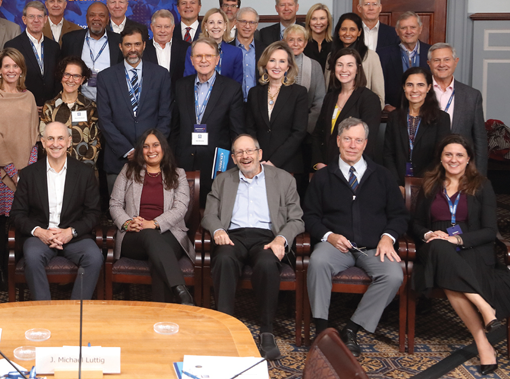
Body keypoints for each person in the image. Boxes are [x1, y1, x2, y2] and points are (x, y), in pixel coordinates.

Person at [304, 118, 409, 357]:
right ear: (338, 141)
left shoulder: (383, 176)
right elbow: (310, 216)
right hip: (335, 247)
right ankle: (321, 329)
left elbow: (399, 216)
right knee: (317, 261)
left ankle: (352, 329)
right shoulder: (322, 177)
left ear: (366, 143)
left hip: (374, 247)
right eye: (348, 139)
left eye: (358, 140)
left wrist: (388, 237)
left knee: (393, 275)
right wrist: (329, 236)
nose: (353, 145)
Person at [411, 135, 509, 375]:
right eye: (448, 154)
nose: (453, 159)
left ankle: (483, 342)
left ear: (468, 159)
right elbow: (415, 223)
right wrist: (428, 234)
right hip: (434, 247)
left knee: (449, 278)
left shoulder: (482, 185)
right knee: (438, 247)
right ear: (441, 158)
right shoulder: (430, 184)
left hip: (470, 247)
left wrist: (456, 239)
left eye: (459, 155)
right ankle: (484, 310)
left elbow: (489, 230)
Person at [203, 134, 305, 360]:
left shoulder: (283, 179)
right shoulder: (222, 180)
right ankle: (224, 325)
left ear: (259, 154)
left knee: (268, 264)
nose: (245, 156)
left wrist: (281, 239)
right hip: (233, 236)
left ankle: (267, 330)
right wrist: (218, 230)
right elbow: (209, 214)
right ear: (233, 158)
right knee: (223, 259)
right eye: (239, 152)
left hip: (267, 237)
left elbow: (297, 219)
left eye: (249, 151)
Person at [9, 122, 103, 300]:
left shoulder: (85, 173)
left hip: (74, 236)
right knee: (32, 256)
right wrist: (40, 232)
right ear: (43, 142)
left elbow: (94, 213)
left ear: (69, 142)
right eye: (50, 139)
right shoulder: (29, 174)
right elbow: (17, 214)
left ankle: (76, 312)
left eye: (60, 138)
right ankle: (45, 312)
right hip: (40, 237)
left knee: (94, 257)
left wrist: (71, 232)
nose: (55, 144)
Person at [109, 129, 194, 304]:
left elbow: (180, 208)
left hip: (170, 234)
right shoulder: (128, 171)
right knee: (150, 236)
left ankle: (160, 312)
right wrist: (127, 223)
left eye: (156, 145)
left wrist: (154, 223)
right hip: (133, 235)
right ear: (141, 150)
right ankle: (181, 291)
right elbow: (115, 204)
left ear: (164, 148)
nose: (151, 150)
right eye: (146, 146)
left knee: (157, 254)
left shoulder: (178, 174)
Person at [0, 48, 40, 287]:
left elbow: (34, 136)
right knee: (2, 224)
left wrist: (27, 172)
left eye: (16, 66)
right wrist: (13, 172)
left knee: (24, 219)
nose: (11, 70)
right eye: (7, 66)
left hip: (27, 170)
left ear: (21, 70)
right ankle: (3, 275)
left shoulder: (29, 96)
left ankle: (22, 273)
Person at [97, 25, 172, 190]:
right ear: (120, 46)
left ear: (144, 45)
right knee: (117, 205)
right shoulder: (105, 77)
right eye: (128, 45)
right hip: (118, 159)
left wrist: (149, 148)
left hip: (153, 159)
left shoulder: (161, 75)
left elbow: (165, 116)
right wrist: (128, 150)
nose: (133, 49)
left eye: (137, 44)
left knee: (150, 204)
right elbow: (104, 119)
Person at [171, 38, 243, 200]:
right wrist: (173, 159)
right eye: (198, 56)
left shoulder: (232, 88)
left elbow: (236, 131)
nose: (203, 60)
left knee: (212, 209)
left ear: (217, 59)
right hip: (183, 162)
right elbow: (174, 127)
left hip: (217, 164)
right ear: (192, 60)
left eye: (209, 56)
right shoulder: (180, 86)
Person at [313, 48, 382, 169]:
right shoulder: (330, 97)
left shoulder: (369, 99)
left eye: (349, 65)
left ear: (358, 69)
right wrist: (318, 163)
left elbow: (368, 140)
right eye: (340, 65)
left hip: (353, 169)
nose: (344, 69)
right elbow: (318, 133)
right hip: (325, 168)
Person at [246, 42, 309, 174]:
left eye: (282, 61)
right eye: (272, 60)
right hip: (258, 163)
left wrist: (273, 162)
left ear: (288, 66)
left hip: (288, 164)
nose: (276, 66)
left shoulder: (299, 93)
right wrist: (257, 157)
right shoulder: (254, 93)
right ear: (265, 64)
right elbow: (250, 129)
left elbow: (299, 132)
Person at [427, 42, 488, 176]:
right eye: (436, 60)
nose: (442, 64)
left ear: (456, 62)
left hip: (462, 169)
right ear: (429, 63)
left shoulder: (472, 96)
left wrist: (480, 176)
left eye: (447, 59)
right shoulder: (420, 92)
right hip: (427, 167)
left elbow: (480, 139)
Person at [383, 67, 451, 186]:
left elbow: (440, 155)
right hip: (397, 183)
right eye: (410, 85)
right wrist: (396, 185)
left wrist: (419, 184)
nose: (414, 90)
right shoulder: (394, 117)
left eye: (420, 85)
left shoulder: (441, 118)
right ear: (404, 87)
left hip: (428, 183)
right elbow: (388, 154)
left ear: (428, 88)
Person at [40, 57, 100, 168]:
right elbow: (44, 140)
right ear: (61, 77)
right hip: (54, 170)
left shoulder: (91, 107)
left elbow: (95, 142)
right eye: (67, 74)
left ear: (82, 80)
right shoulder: (49, 107)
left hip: (84, 171)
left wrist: (82, 171)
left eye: (76, 76)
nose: (71, 80)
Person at [60, 1, 122, 101]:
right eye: (92, 15)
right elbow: (62, 71)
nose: (96, 18)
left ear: (107, 20)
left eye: (101, 15)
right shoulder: (70, 40)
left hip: (110, 101)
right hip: (78, 101)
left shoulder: (119, 41)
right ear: (86, 18)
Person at [4, 1, 61, 108]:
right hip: (23, 106)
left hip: (50, 107)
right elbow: (10, 80)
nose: (36, 20)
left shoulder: (54, 47)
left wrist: (52, 104)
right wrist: (27, 104)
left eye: (40, 16)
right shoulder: (12, 46)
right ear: (24, 20)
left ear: (45, 19)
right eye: (31, 16)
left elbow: (58, 77)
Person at [325, 12, 386, 108]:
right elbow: (327, 89)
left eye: (352, 29)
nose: (347, 33)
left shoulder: (371, 57)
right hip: (333, 110)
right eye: (343, 29)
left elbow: (379, 97)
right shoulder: (331, 56)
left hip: (361, 112)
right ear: (338, 31)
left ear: (359, 32)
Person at [380, 11, 431, 112]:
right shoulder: (382, 54)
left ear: (420, 29)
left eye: (413, 27)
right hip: (394, 112)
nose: (408, 31)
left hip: (426, 111)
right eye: (403, 28)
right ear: (397, 31)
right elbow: (376, 84)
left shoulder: (431, 52)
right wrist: (385, 105)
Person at [182, 8, 243, 85]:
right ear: (205, 26)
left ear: (225, 26)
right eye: (211, 22)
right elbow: (188, 80)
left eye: (219, 22)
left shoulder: (236, 53)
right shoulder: (192, 49)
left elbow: (237, 84)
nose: (215, 26)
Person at [283, 24, 325, 133]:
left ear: (305, 43)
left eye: (300, 40)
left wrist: (305, 127)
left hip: (307, 128)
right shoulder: (276, 65)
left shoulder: (315, 66)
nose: (295, 44)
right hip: (280, 127)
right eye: (291, 40)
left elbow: (319, 101)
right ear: (284, 42)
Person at [143, 9, 189, 85]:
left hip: (177, 92)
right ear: (152, 27)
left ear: (173, 28)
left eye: (167, 27)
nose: (162, 30)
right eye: (158, 26)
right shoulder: (143, 48)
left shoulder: (185, 48)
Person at [228, 7, 262, 100]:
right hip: (233, 102)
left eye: (251, 22)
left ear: (256, 25)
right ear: (236, 23)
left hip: (258, 102)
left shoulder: (265, 50)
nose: (247, 26)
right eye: (243, 21)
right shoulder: (227, 50)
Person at [304, 3, 334, 69]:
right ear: (309, 22)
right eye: (314, 19)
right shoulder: (302, 43)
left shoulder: (336, 43)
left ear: (328, 21)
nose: (318, 22)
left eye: (322, 18)